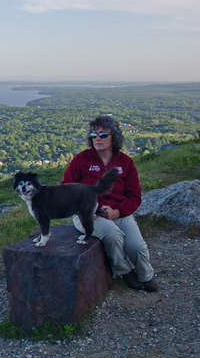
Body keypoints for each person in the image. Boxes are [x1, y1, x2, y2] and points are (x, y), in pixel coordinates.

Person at [61, 115, 159, 292]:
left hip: (119, 212)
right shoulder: (82, 160)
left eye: (103, 134)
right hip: (87, 214)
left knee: (136, 245)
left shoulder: (126, 163)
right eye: (94, 135)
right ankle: (125, 271)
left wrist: (118, 212)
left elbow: (135, 196)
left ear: (114, 137)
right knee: (112, 234)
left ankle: (146, 275)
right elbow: (66, 189)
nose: (97, 138)